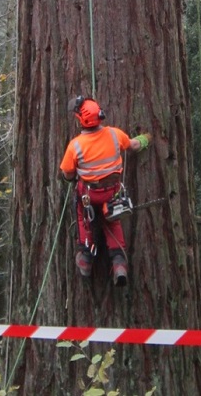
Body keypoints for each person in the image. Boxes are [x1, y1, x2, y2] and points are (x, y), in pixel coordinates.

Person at [60, 95, 151, 286]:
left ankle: (85, 258)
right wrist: (145, 139)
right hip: (112, 193)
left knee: (84, 218)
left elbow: (67, 173)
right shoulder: (114, 134)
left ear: (81, 120)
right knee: (112, 221)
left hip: (89, 195)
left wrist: (75, 177)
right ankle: (119, 263)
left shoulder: (76, 145)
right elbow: (133, 145)